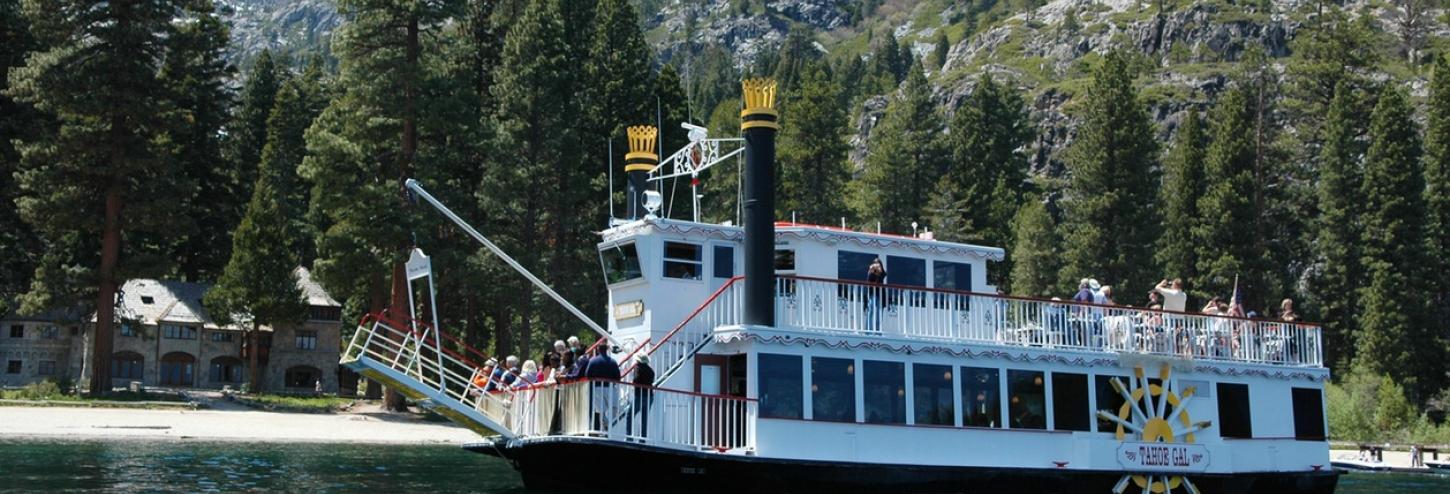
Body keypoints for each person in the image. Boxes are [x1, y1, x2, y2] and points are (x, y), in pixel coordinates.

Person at [630, 353, 656, 438]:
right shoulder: (651, 370)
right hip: (649, 395)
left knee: (629, 415)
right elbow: (651, 381)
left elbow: (636, 379)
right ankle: (643, 438)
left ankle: (628, 437)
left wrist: (634, 383)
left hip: (640, 395)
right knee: (644, 418)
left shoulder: (637, 368)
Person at [865, 258, 887, 332]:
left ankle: (878, 331)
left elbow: (883, 276)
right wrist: (871, 270)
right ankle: (868, 330)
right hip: (872, 294)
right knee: (870, 311)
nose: (876, 265)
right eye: (875, 263)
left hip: (880, 295)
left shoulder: (882, 273)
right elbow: (868, 281)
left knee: (879, 313)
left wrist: (879, 271)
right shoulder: (871, 272)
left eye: (878, 264)